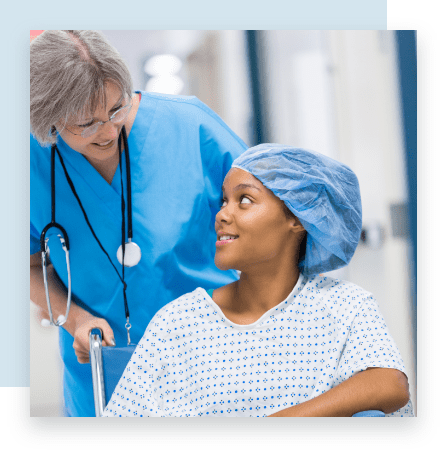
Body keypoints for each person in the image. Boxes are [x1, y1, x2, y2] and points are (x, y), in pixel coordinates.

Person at [102, 144, 413, 417]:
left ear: (297, 218)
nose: (222, 215)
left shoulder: (345, 307)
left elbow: (389, 384)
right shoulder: (178, 322)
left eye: (245, 200)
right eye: (224, 201)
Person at [30, 30, 247, 417]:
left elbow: (269, 223)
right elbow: (28, 264)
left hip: (216, 356)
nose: (111, 131)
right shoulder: (27, 161)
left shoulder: (190, 128)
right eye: (88, 122)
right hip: (103, 371)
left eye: (117, 109)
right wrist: (74, 319)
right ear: (48, 118)